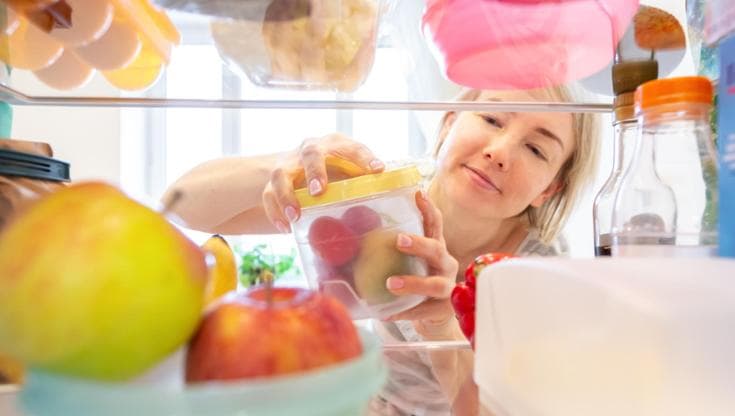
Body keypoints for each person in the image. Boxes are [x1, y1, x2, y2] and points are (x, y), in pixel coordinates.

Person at [163, 85, 600, 415]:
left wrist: (440, 325)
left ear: (550, 188)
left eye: (537, 148)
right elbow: (183, 204)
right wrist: (281, 167)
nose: (500, 152)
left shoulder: (540, 273)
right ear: (449, 122)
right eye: (491, 118)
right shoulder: (382, 200)